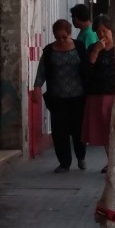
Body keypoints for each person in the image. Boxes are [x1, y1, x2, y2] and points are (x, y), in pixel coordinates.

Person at [32, 19, 88, 173]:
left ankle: (81, 156)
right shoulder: (49, 50)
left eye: (64, 37)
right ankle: (64, 162)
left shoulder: (80, 47)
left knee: (78, 130)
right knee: (59, 131)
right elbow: (42, 71)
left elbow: (88, 68)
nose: (61, 40)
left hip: (78, 96)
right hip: (57, 97)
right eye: (58, 38)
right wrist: (37, 87)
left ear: (70, 34)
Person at [82, 14, 115, 174]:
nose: (102, 35)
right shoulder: (93, 48)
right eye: (99, 32)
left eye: (105, 31)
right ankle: (111, 162)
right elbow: (87, 71)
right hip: (98, 93)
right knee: (104, 131)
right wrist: (95, 51)